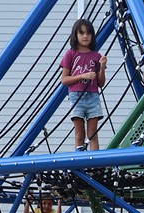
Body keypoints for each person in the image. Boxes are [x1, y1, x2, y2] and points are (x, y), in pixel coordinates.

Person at [60, 18, 107, 151]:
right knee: (79, 134)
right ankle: (80, 162)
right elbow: (64, 80)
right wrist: (82, 76)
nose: (85, 36)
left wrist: (102, 67)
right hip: (76, 96)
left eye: (88, 33)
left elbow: (101, 83)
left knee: (92, 134)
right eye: (81, 33)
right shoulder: (70, 54)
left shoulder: (96, 56)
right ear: (75, 35)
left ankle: (95, 165)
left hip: (93, 97)